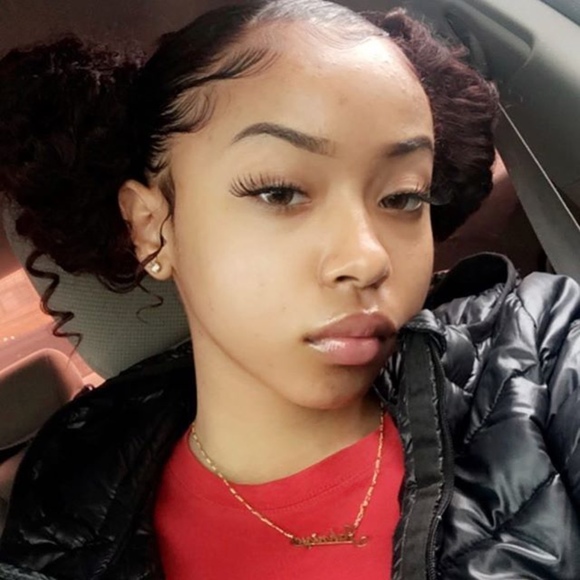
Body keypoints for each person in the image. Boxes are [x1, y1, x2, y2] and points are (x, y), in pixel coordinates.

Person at [0, 1, 579, 579]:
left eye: (404, 197)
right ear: (153, 227)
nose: (368, 258)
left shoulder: (534, 362)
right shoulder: (59, 524)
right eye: (279, 192)